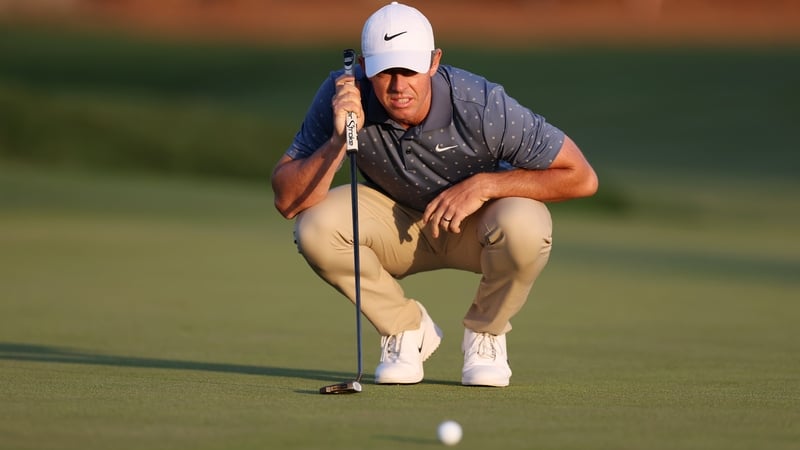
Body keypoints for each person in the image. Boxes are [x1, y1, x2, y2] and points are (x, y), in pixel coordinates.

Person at [271, 1, 598, 387]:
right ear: (362, 66)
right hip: (396, 228)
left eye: (409, 69)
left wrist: (486, 185)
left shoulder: (481, 105)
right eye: (384, 71)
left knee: (526, 224)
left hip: (475, 227)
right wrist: (340, 139)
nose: (397, 86)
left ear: (433, 61)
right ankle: (404, 329)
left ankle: (486, 333)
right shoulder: (343, 94)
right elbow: (288, 200)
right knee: (314, 228)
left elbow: (581, 177)